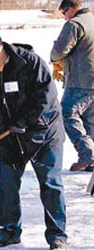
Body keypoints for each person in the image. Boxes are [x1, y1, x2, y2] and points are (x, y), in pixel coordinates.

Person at [0, 29, 68, 249]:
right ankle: (9, 231)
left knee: (50, 185)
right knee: (7, 185)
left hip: (43, 134)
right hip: (8, 137)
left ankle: (57, 236)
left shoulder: (30, 63)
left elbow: (45, 99)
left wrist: (24, 122)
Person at [50, 0, 94, 172]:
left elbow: (58, 51)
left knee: (68, 113)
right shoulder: (92, 19)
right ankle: (91, 160)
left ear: (69, 9)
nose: (63, 17)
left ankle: (87, 156)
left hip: (80, 81)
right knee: (89, 120)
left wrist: (55, 60)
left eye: (63, 13)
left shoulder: (74, 24)